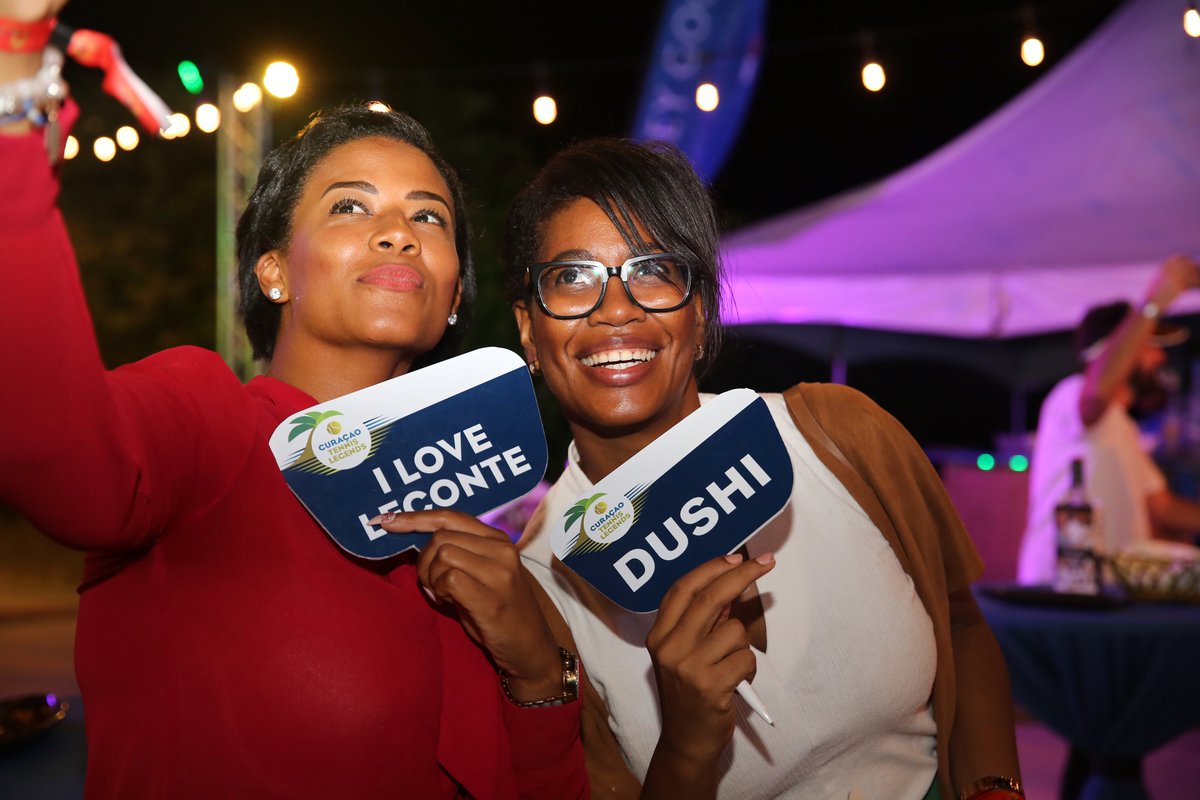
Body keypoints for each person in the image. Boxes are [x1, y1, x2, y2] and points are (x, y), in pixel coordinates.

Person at [0, 4, 585, 797]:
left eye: (428, 216)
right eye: (350, 206)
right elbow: (63, 455)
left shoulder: (476, 513)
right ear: (273, 271)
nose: (398, 232)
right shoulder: (213, 423)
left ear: (453, 295)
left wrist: (536, 673)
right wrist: (12, 96)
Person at [493, 138, 1022, 799]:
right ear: (528, 329)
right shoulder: (544, 584)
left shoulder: (839, 434)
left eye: (653, 270)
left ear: (702, 309)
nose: (616, 311)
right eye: (571, 279)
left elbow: (963, 623)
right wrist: (686, 745)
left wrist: (996, 787)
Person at [1017, 255, 1200, 585]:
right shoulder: (1069, 397)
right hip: (1059, 589)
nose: (1160, 357)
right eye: (1150, 345)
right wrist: (1154, 303)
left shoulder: (1122, 427)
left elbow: (1163, 506)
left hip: (1106, 590)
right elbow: (1096, 395)